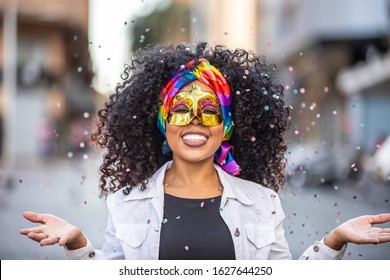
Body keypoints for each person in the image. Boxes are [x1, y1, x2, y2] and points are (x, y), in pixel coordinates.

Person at [20, 42, 390, 260]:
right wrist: (80, 245)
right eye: (181, 109)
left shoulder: (262, 203)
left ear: (227, 125)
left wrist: (333, 241)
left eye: (210, 110)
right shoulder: (126, 203)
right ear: (164, 122)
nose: (195, 120)